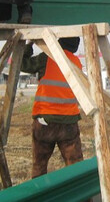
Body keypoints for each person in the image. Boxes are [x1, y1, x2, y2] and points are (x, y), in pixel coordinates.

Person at [21, 37, 85, 178]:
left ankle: (40, 196)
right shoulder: (76, 62)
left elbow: (22, 64)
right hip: (69, 122)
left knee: (39, 165)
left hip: (45, 121)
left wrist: (29, 45)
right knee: (75, 165)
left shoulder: (47, 58)